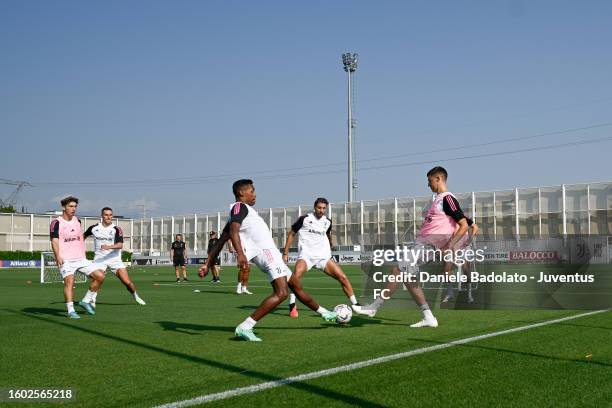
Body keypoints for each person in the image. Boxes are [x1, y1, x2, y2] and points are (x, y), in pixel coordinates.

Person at [199, 179, 337, 341]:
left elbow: (222, 239)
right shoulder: (239, 207)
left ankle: (325, 313)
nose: (255, 194)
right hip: (267, 255)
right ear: (242, 193)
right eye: (252, 191)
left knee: (296, 285)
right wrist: (241, 255)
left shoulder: (245, 211)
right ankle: (246, 326)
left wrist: (208, 263)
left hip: (272, 255)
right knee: (282, 293)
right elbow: (234, 232)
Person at [354, 166, 473, 327]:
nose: (428, 185)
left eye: (430, 181)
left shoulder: (447, 198)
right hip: (423, 244)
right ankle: (428, 317)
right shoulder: (438, 200)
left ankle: (374, 307)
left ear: (438, 179)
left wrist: (449, 246)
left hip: (429, 246)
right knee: (406, 275)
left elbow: (464, 225)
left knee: (399, 268)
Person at [282, 197, 367, 318]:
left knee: (342, 277)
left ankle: (356, 305)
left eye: (324, 208)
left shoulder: (327, 221)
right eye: (319, 208)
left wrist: (331, 244)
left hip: (323, 257)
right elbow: (292, 234)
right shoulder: (304, 219)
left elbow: (327, 233)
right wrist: (285, 253)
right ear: (314, 207)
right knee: (296, 277)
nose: (321, 210)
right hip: (307, 256)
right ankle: (292, 304)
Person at [50, 196, 106, 318]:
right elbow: (54, 241)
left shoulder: (78, 221)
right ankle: (71, 311)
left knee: (100, 276)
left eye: (75, 206)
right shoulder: (56, 223)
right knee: (69, 282)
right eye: (71, 206)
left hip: (81, 259)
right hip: (66, 260)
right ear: (63, 207)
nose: (73, 208)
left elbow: (80, 238)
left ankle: (85, 301)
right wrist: (57, 256)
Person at [83, 207, 146, 306]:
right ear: (102, 216)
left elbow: (120, 245)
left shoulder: (116, 229)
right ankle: (92, 299)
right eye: (106, 215)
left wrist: (108, 247)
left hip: (114, 259)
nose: (108, 217)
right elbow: (83, 236)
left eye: (110, 215)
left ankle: (135, 296)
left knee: (127, 282)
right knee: (97, 279)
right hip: (99, 259)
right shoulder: (94, 228)